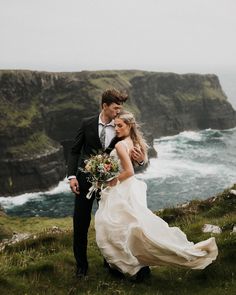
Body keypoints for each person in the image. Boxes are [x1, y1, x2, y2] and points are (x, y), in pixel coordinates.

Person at [95, 110, 218, 280]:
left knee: (111, 224)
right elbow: (139, 162)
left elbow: (129, 171)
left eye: (120, 125)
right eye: (115, 125)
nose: (116, 128)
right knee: (127, 225)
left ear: (129, 125)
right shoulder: (134, 142)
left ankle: (126, 266)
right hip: (129, 188)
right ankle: (127, 264)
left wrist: (110, 181)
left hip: (122, 187)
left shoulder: (120, 145)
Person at [67, 89, 145, 278]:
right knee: (80, 223)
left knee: (110, 225)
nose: (118, 112)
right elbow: (75, 150)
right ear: (104, 106)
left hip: (111, 186)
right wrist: (72, 176)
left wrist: (141, 160)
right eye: (115, 108)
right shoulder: (87, 123)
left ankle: (110, 263)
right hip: (84, 182)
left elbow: (134, 149)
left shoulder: (121, 126)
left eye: (120, 108)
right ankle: (81, 266)